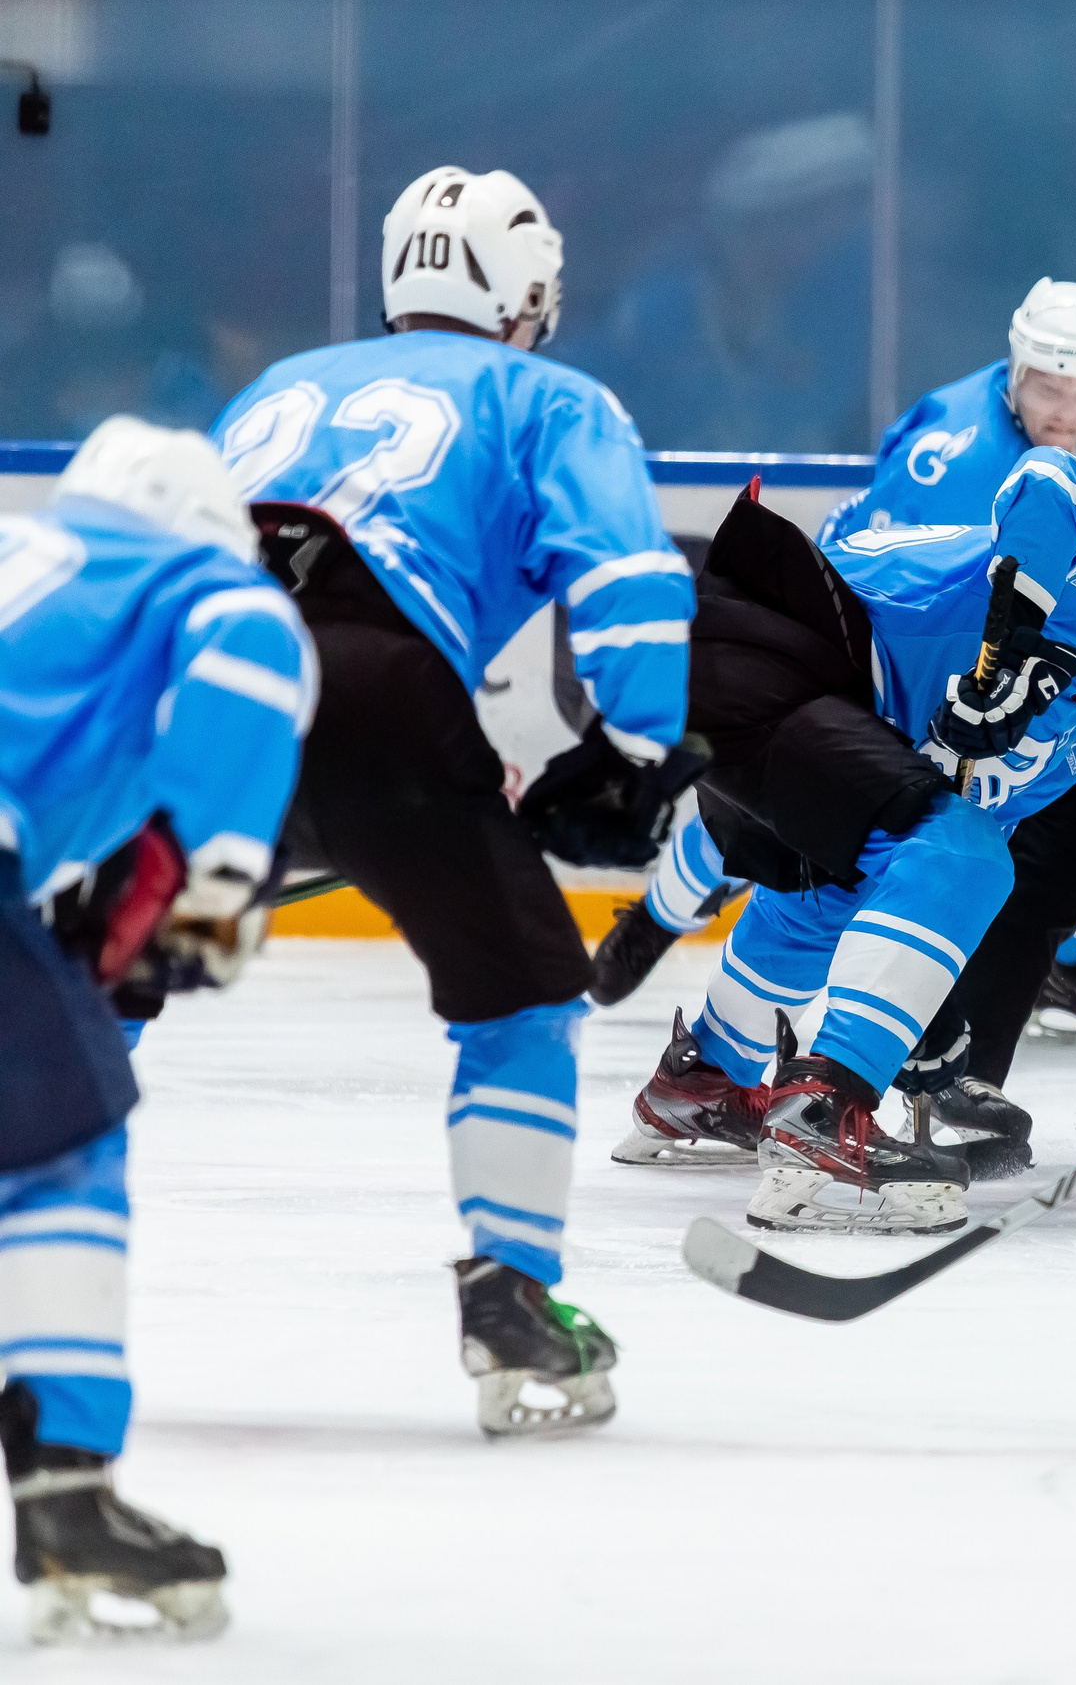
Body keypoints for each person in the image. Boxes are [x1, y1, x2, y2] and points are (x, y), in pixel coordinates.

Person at [210, 166, 700, 1440]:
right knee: (529, 994)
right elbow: (628, 575)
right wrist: (640, 744)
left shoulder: (278, 387)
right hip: (378, 683)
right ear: (525, 291)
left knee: (103, 976)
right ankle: (511, 1301)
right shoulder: (552, 395)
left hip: (206, 680)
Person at [625, 449, 1076, 1229]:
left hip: (781, 709)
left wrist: (929, 1035)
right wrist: (1014, 649)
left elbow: (923, 866)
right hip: (773, 643)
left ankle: (701, 1078)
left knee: (843, 885)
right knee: (967, 854)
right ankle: (824, 1110)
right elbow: (1046, 479)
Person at [587, 277, 1076, 1046]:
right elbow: (878, 573)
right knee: (780, 808)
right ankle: (661, 915)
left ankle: (1048, 955)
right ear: (1014, 371)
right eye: (1047, 387)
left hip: (1011, 675)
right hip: (897, 653)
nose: (1066, 410)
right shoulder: (947, 453)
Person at [1, 418, 311, 1643]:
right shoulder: (195, 575)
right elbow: (244, 653)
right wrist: (217, 879)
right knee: (65, 1149)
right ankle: (70, 1492)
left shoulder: (28, 549)